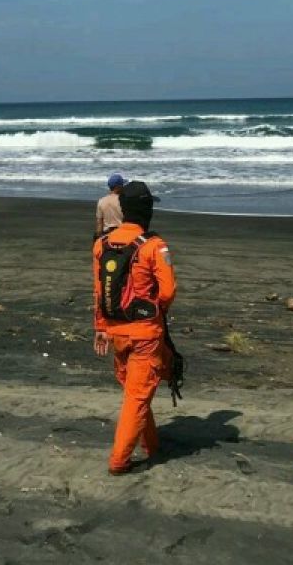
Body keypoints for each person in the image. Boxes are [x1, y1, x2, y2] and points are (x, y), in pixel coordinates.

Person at [91, 180, 177, 475]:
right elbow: (167, 292)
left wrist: (101, 327)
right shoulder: (154, 246)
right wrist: (155, 310)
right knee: (138, 396)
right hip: (144, 334)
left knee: (135, 391)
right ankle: (119, 460)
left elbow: (99, 291)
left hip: (115, 330)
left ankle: (152, 444)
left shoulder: (101, 244)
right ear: (148, 210)